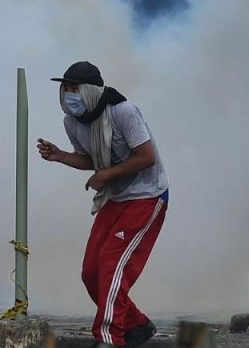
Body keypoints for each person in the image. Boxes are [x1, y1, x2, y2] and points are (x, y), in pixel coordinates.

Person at [36, 61, 168, 348]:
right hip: (115, 198)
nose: (70, 94)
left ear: (92, 91)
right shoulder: (71, 122)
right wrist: (60, 156)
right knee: (91, 273)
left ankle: (109, 338)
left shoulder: (123, 112)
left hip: (146, 196)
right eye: (66, 88)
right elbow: (90, 160)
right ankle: (138, 325)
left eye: (75, 88)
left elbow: (146, 157)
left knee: (111, 265)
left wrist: (106, 174)